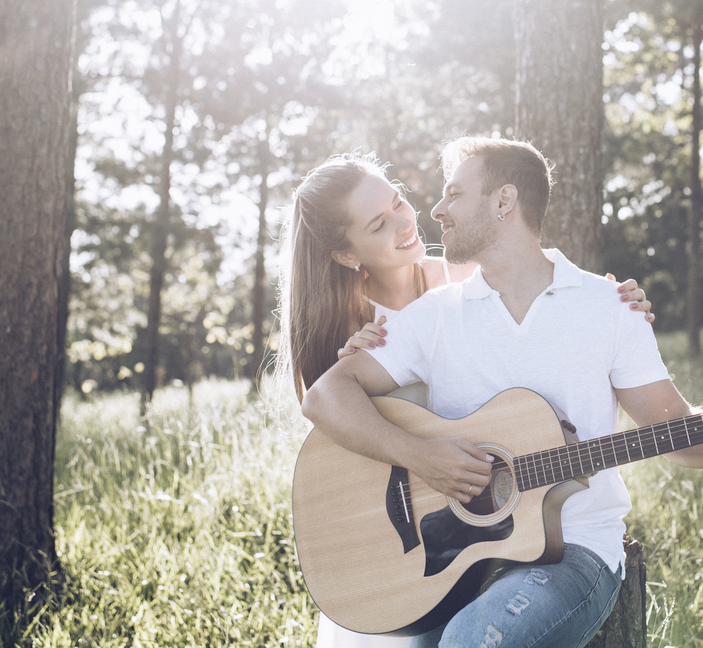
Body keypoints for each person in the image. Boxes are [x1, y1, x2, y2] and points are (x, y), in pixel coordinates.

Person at [301, 137, 703, 648]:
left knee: (472, 642)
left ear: (503, 201)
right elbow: (324, 397)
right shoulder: (433, 315)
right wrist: (424, 457)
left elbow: (670, 426)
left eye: (453, 195)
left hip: (572, 551)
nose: (435, 210)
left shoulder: (608, 305)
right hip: (459, 555)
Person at [280, 152, 654, 648]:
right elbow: (330, 419)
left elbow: (540, 302)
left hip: (482, 522)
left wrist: (611, 305)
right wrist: (420, 457)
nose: (404, 221)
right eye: (378, 223)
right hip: (393, 540)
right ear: (348, 255)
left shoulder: (464, 280)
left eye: (397, 203)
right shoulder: (353, 334)